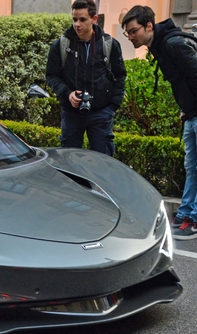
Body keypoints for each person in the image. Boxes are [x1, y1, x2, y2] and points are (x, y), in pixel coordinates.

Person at [122, 6, 197, 240]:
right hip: (191, 115)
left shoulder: (172, 44)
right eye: (128, 33)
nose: (131, 36)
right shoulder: (160, 46)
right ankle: (187, 214)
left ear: (149, 27)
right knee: (192, 169)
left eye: (134, 31)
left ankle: (193, 219)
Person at [45, 0, 126, 156]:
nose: (77, 24)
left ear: (94, 19)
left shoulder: (109, 44)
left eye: (82, 19)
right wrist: (68, 93)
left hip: (101, 113)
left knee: (103, 163)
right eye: (74, 19)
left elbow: (120, 76)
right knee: (69, 162)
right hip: (71, 113)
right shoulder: (61, 45)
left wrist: (112, 108)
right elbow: (51, 76)